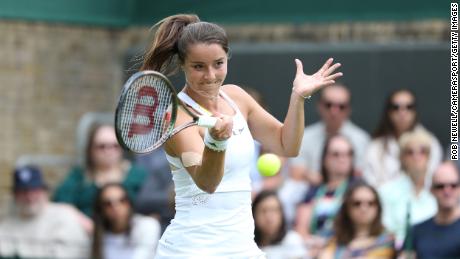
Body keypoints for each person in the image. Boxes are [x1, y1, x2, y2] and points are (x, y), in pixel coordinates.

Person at [141, 14, 342, 258]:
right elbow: (206, 183)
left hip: (242, 248)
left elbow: (286, 145)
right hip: (191, 249)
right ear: (183, 64)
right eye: (198, 67)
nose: (211, 75)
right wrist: (216, 142)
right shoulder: (176, 117)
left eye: (218, 63)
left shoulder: (236, 96)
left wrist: (298, 97)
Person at [53, 123, 147, 217]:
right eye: (102, 146)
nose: (109, 151)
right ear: (90, 150)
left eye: (115, 146)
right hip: (88, 228)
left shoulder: (136, 175)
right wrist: (82, 221)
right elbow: (60, 203)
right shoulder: (80, 176)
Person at [0, 166, 90, 258]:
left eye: (34, 190)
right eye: (23, 191)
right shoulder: (5, 227)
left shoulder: (64, 216)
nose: (29, 197)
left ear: (44, 191)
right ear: (15, 195)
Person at [289, 84, 370, 186]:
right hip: (311, 193)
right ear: (319, 106)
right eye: (328, 105)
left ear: (349, 109)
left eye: (341, 106)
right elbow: (296, 173)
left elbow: (361, 174)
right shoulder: (304, 137)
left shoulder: (361, 139)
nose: (334, 111)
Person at [363, 89, 443, 188]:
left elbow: (434, 179)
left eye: (409, 107)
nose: (402, 112)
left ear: (415, 112)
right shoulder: (375, 147)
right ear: (388, 112)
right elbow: (371, 182)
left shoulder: (429, 142)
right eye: (396, 107)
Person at [294, 135, 355, 258]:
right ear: (324, 159)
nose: (342, 159)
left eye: (347, 154)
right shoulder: (314, 191)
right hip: (313, 247)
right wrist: (311, 242)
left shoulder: (359, 189)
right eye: (336, 154)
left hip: (347, 248)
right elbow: (301, 228)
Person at [378, 129, 437, 248]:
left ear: (429, 156)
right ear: (402, 158)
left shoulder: (442, 189)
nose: (416, 156)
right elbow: (386, 231)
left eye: (422, 151)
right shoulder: (386, 191)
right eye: (410, 152)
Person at [319, 181, 395, 259]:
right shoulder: (335, 240)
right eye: (357, 203)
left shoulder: (387, 240)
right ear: (347, 208)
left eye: (371, 203)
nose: (364, 208)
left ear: (378, 208)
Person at [401, 161, 460, 258]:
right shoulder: (417, 231)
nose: (447, 191)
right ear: (431, 190)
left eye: (453, 185)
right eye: (440, 186)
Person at [91, 183, 161, 259]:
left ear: (129, 203)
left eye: (122, 200)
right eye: (108, 204)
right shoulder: (97, 236)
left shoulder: (148, 225)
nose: (116, 207)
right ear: (101, 209)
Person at [253, 190, 307, 259]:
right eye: (263, 211)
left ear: (281, 214)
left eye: (273, 210)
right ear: (254, 214)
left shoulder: (292, 240)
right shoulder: (248, 245)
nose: (269, 217)